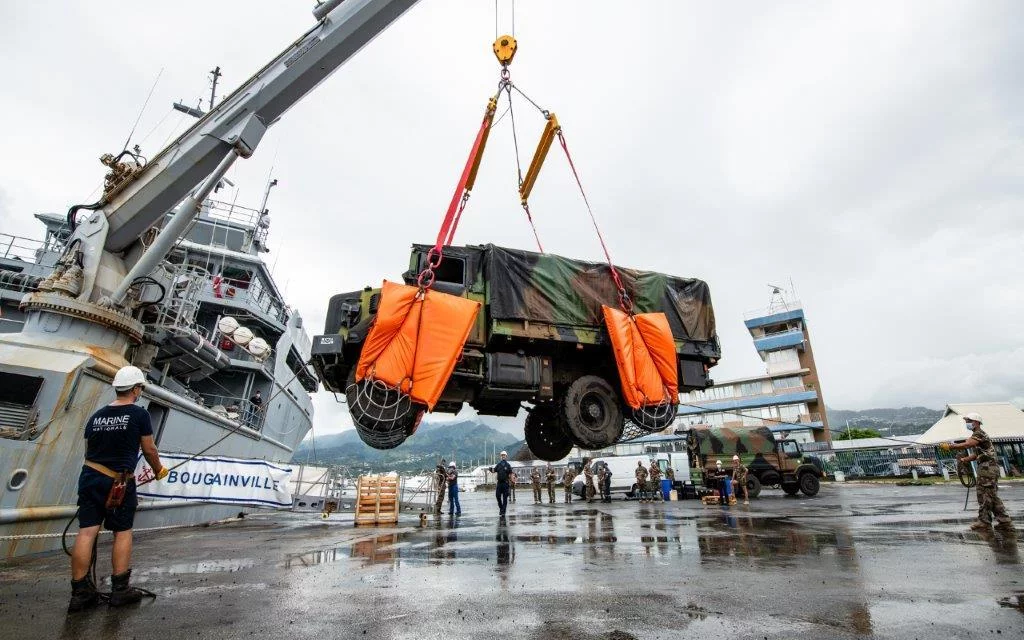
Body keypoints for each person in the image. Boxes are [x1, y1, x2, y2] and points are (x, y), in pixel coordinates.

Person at [69, 366, 168, 612]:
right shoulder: (139, 414)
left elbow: (88, 450)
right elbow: (149, 449)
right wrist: (158, 469)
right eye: (140, 388)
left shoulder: (97, 416)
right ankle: (120, 590)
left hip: (90, 476)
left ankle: (80, 594)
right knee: (122, 532)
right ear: (136, 389)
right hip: (118, 482)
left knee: (87, 532)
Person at [940, 412, 1013, 532]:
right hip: (986, 467)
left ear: (977, 422)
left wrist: (950, 446)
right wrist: (965, 459)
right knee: (990, 495)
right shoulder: (976, 435)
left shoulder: (979, 434)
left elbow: (967, 444)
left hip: (988, 468)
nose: (967, 423)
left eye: (969, 421)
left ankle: (985, 522)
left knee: (985, 495)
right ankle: (1004, 521)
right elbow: (976, 454)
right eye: (966, 422)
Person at [491, 451, 513, 516]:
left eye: (504, 455)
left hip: (505, 483)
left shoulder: (508, 465)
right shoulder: (498, 464)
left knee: (505, 498)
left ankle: (503, 512)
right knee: (497, 496)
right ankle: (501, 508)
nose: (503, 456)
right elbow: (494, 470)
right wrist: (490, 469)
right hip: (499, 483)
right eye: (502, 455)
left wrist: (511, 482)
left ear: (506, 456)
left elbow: (511, 474)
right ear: (501, 456)